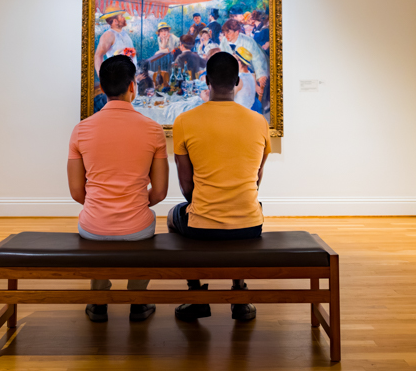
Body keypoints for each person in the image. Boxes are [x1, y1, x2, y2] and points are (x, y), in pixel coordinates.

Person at [167, 52, 271, 322]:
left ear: (206, 81)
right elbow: (257, 178)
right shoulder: (259, 121)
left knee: (173, 216)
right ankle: (239, 293)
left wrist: (204, 200)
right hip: (249, 225)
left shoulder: (184, 122)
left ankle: (196, 296)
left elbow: (186, 185)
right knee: (250, 205)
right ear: (237, 81)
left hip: (202, 227)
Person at [67, 55, 169, 323]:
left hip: (92, 227)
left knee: (94, 227)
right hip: (137, 228)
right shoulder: (154, 130)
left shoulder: (81, 130)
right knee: (147, 224)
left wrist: (104, 205)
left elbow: (77, 192)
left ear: (101, 87)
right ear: (132, 86)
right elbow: (159, 193)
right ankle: (137, 301)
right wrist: (131, 204)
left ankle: (99, 301)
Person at [217, 19, 269, 101]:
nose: (226, 36)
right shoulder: (224, 41)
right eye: (224, 33)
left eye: (229, 33)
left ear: (237, 32)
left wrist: (261, 75)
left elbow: (258, 59)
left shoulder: (248, 41)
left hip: (248, 70)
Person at [94, 6, 136, 73]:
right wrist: (102, 77)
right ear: (115, 21)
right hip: (118, 77)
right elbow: (98, 56)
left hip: (130, 76)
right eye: (121, 16)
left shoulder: (124, 33)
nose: (124, 18)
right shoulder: (108, 35)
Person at [233, 47, 259, 111]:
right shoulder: (252, 75)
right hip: (249, 112)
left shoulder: (238, 79)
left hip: (239, 114)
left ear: (239, 62)